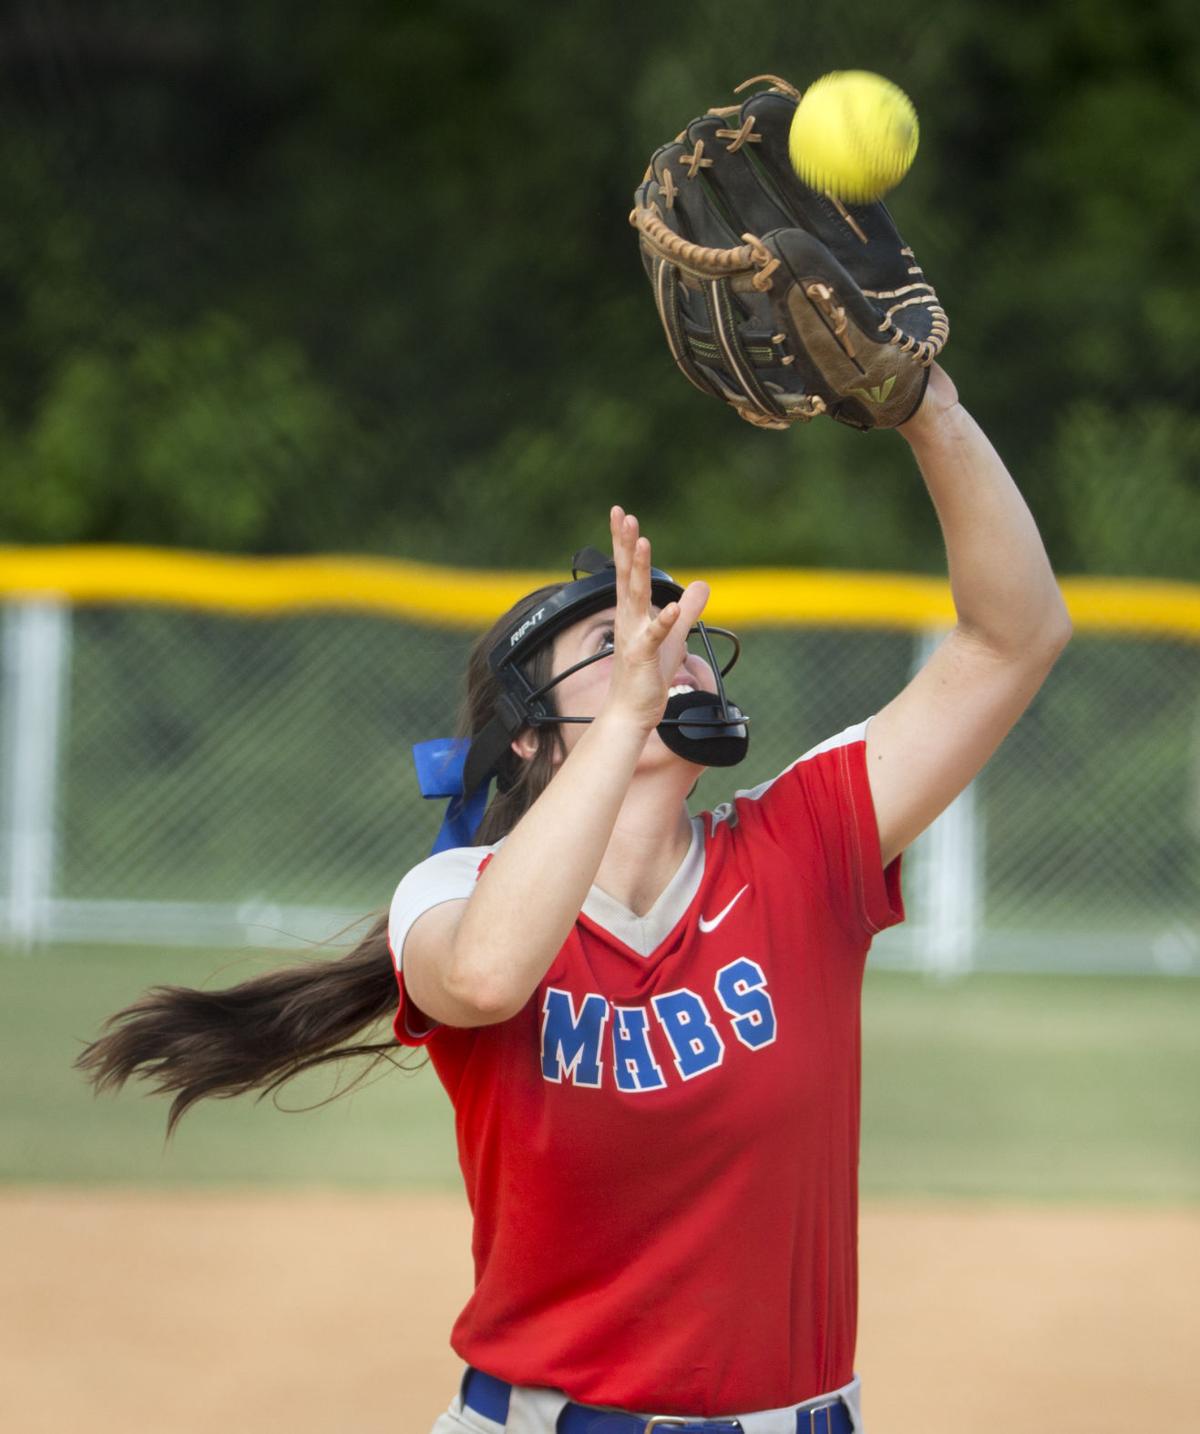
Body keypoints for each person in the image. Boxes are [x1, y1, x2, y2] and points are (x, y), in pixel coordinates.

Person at [79, 364, 1071, 1433]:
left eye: (675, 638)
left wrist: (928, 408)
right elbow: (490, 974)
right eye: (616, 645)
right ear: (526, 734)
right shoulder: (454, 889)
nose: (664, 653)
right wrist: (633, 715)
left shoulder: (799, 847)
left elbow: (1014, 638)